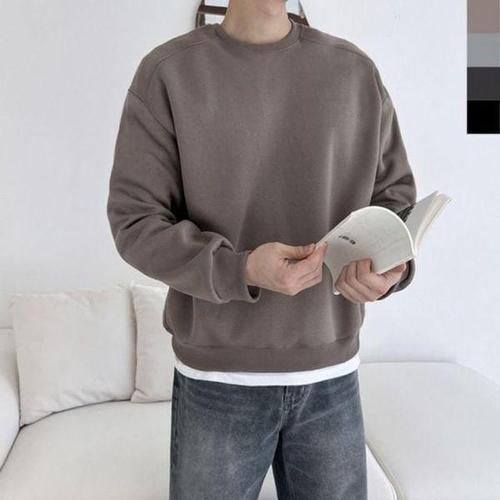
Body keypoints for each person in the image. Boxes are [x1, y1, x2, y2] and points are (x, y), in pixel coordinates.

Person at [107, 1, 417, 498]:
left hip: (331, 377)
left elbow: (396, 203)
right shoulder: (168, 73)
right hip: (217, 380)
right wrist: (241, 269)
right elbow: (135, 221)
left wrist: (388, 271)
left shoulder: (354, 72)